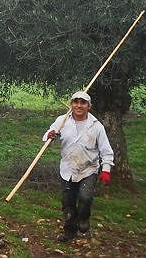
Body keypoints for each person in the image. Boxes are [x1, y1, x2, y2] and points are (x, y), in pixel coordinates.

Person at [43, 91, 114, 242]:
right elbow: (48, 134)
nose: (79, 105)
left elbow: (106, 151)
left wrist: (106, 170)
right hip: (67, 169)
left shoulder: (96, 126)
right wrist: (50, 135)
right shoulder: (62, 121)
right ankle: (69, 230)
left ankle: (83, 218)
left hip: (88, 170)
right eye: (76, 102)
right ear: (71, 104)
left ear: (89, 106)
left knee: (85, 197)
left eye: (83, 103)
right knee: (68, 203)